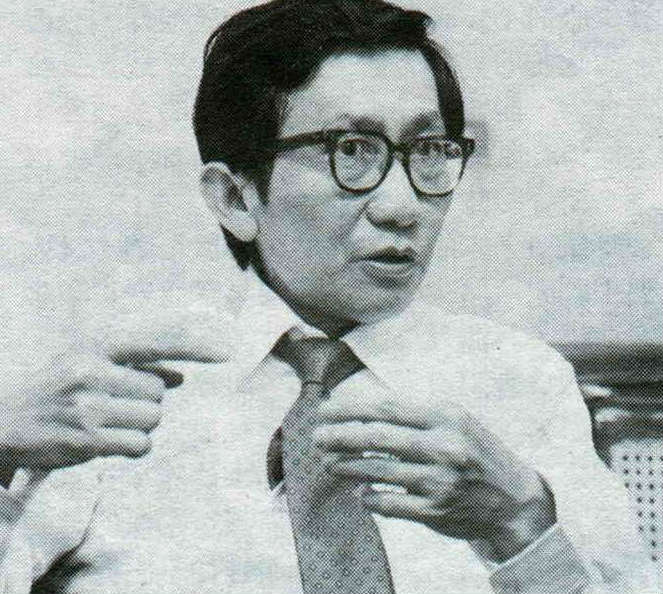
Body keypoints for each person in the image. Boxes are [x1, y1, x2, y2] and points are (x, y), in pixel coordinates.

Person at [0, 0, 657, 592]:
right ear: (235, 198)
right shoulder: (113, 388)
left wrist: (522, 526)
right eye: (351, 150)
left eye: (428, 150)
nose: (402, 206)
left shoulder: (521, 382)